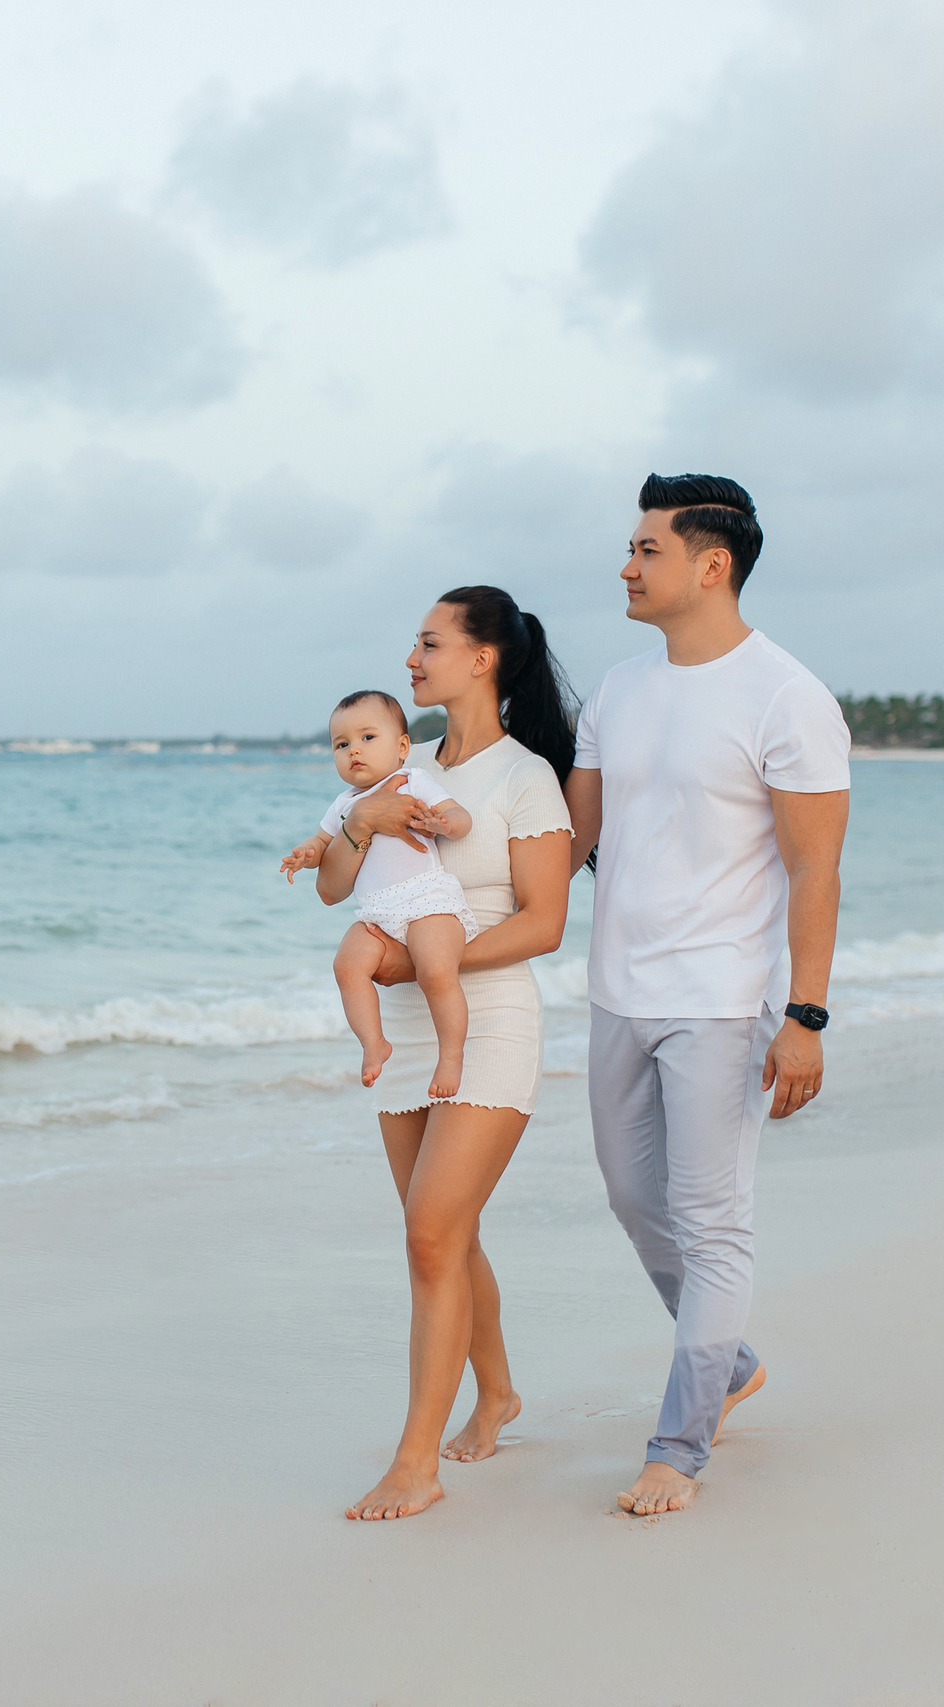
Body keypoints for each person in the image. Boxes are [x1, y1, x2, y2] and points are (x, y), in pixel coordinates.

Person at [563, 474, 851, 1518]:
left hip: (722, 1000)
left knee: (710, 1223)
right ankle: (730, 1363)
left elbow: (815, 868)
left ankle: (677, 1446)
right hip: (617, 990)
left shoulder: (786, 696)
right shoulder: (617, 689)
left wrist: (804, 1016)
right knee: (635, 1202)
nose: (627, 567)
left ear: (711, 564)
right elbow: (573, 839)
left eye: (647, 550)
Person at [314, 587, 578, 1521]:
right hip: (410, 1022)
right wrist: (359, 825)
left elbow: (545, 924)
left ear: (482, 659)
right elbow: (334, 889)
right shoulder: (399, 763)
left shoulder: (525, 778)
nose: (412, 660)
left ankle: (415, 1460)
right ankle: (496, 1392)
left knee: (430, 1232)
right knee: (446, 1235)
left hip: (487, 1016)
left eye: (429, 643)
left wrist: (426, 962)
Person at [281, 690, 478, 1097]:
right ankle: (374, 1043)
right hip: (377, 914)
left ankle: (451, 1055)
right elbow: (323, 843)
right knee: (347, 966)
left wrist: (444, 824)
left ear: (402, 747)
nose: (354, 750)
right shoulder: (344, 804)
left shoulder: (412, 781)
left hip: (426, 901)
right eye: (341, 744)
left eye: (367, 738)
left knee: (436, 970)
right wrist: (306, 853)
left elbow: (460, 817)